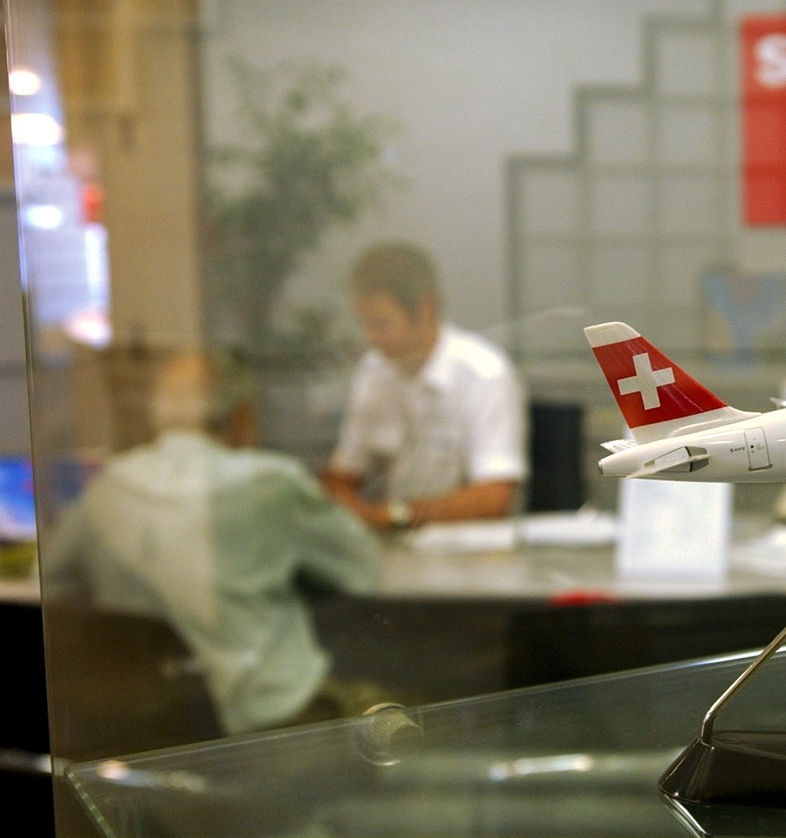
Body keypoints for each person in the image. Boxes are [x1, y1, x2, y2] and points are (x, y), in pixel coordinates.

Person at [43, 350, 383, 736]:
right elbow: (362, 573)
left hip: (144, 728)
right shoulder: (270, 484)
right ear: (242, 416)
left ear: (159, 416)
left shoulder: (106, 490)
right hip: (270, 725)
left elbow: (52, 586)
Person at [323, 242, 527, 529]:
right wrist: (348, 506)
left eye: (381, 325)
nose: (370, 338)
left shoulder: (483, 374)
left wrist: (393, 514)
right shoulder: (373, 372)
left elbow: (495, 497)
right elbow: (343, 475)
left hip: (468, 552)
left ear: (425, 310)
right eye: (364, 325)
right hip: (393, 542)